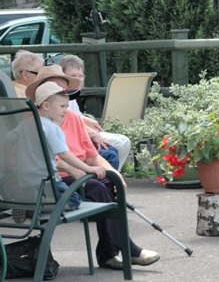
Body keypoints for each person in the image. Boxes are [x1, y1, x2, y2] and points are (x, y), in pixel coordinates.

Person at [25, 66, 160, 270]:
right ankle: (121, 249)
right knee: (99, 188)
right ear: (44, 99)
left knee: (109, 183)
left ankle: (111, 252)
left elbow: (92, 155)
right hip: (57, 180)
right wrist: (76, 170)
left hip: (76, 176)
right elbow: (52, 158)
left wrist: (114, 174)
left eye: (64, 90)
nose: (63, 94)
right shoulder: (35, 122)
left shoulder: (72, 118)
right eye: (55, 88)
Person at [33, 81, 107, 210]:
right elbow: (65, 155)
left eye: (67, 107)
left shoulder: (27, 124)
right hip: (50, 182)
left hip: (27, 184)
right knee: (74, 200)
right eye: (62, 106)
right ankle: (42, 207)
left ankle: (36, 206)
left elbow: (11, 140)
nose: (66, 111)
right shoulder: (52, 128)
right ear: (45, 106)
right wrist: (89, 169)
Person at [59, 55, 132, 171]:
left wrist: (86, 121)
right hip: (74, 138)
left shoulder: (73, 95)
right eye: (73, 76)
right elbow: (67, 120)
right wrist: (91, 131)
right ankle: (112, 178)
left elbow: (75, 116)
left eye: (80, 76)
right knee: (118, 144)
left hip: (81, 133)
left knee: (123, 142)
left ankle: (114, 177)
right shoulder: (62, 96)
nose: (78, 79)